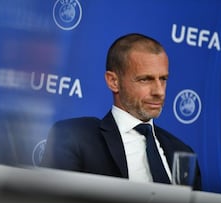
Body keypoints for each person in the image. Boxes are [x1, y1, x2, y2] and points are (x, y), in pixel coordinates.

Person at [40, 33, 201, 189]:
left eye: (163, 79)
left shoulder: (181, 151)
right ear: (113, 81)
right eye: (145, 79)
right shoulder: (75, 137)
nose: (159, 91)